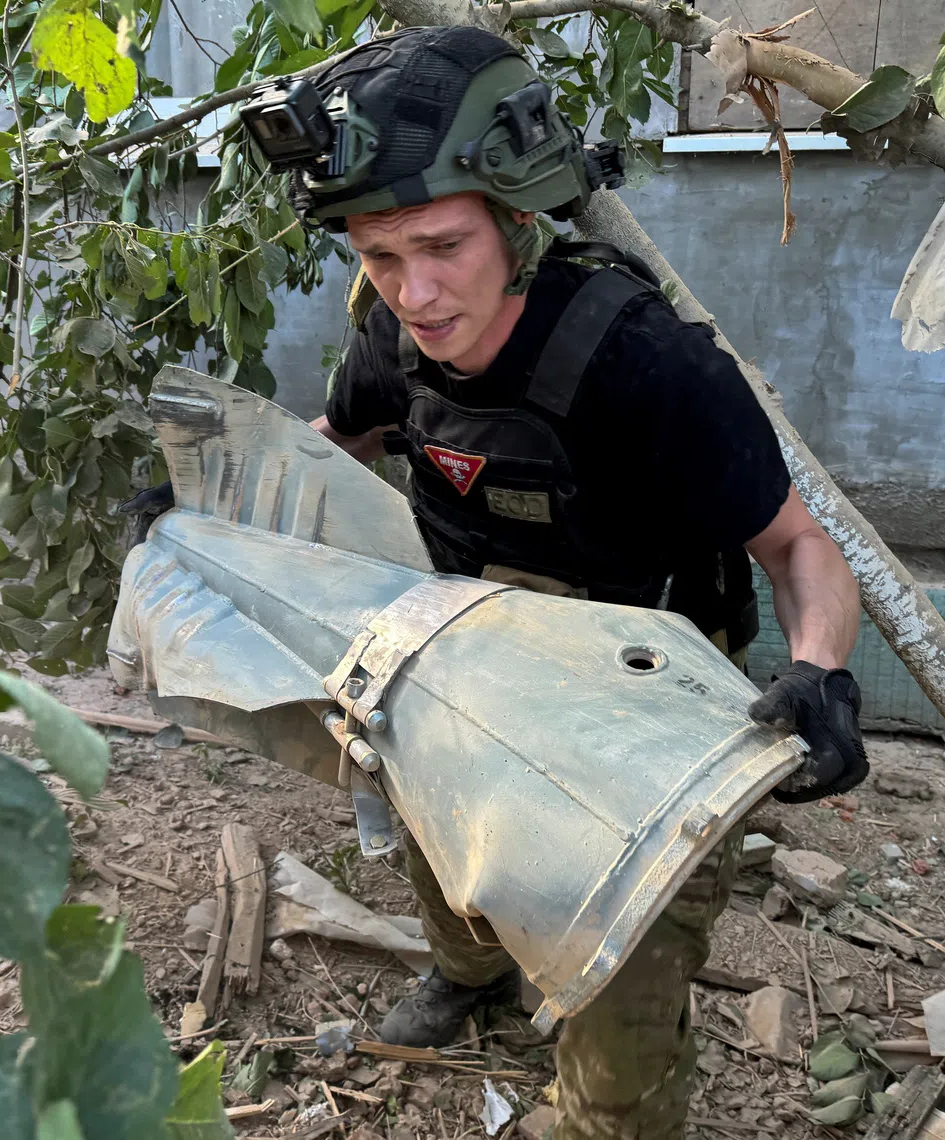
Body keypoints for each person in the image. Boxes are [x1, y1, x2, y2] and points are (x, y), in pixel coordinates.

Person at [131, 25, 869, 1140]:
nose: (414, 293)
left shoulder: (649, 367)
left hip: (643, 713)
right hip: (466, 654)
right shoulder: (393, 337)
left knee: (621, 1002)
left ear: (518, 222)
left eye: (440, 247)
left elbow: (800, 546)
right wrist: (204, 513)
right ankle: (470, 972)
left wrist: (820, 675)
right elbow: (333, 449)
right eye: (379, 257)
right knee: (441, 831)